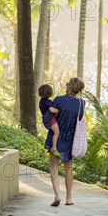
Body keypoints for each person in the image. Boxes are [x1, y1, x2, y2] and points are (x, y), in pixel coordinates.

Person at [44, 77, 85, 207]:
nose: (65, 85)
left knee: (54, 166)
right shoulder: (81, 104)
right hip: (70, 139)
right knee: (68, 167)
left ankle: (57, 196)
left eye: (67, 84)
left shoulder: (59, 100)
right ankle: (69, 199)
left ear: (69, 86)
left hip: (56, 138)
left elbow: (49, 116)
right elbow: (78, 118)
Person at [38, 84, 60, 157]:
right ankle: (54, 148)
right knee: (57, 132)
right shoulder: (48, 101)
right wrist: (58, 110)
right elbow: (52, 110)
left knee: (54, 132)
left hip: (45, 118)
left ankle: (51, 147)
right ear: (49, 93)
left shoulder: (41, 101)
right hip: (50, 118)